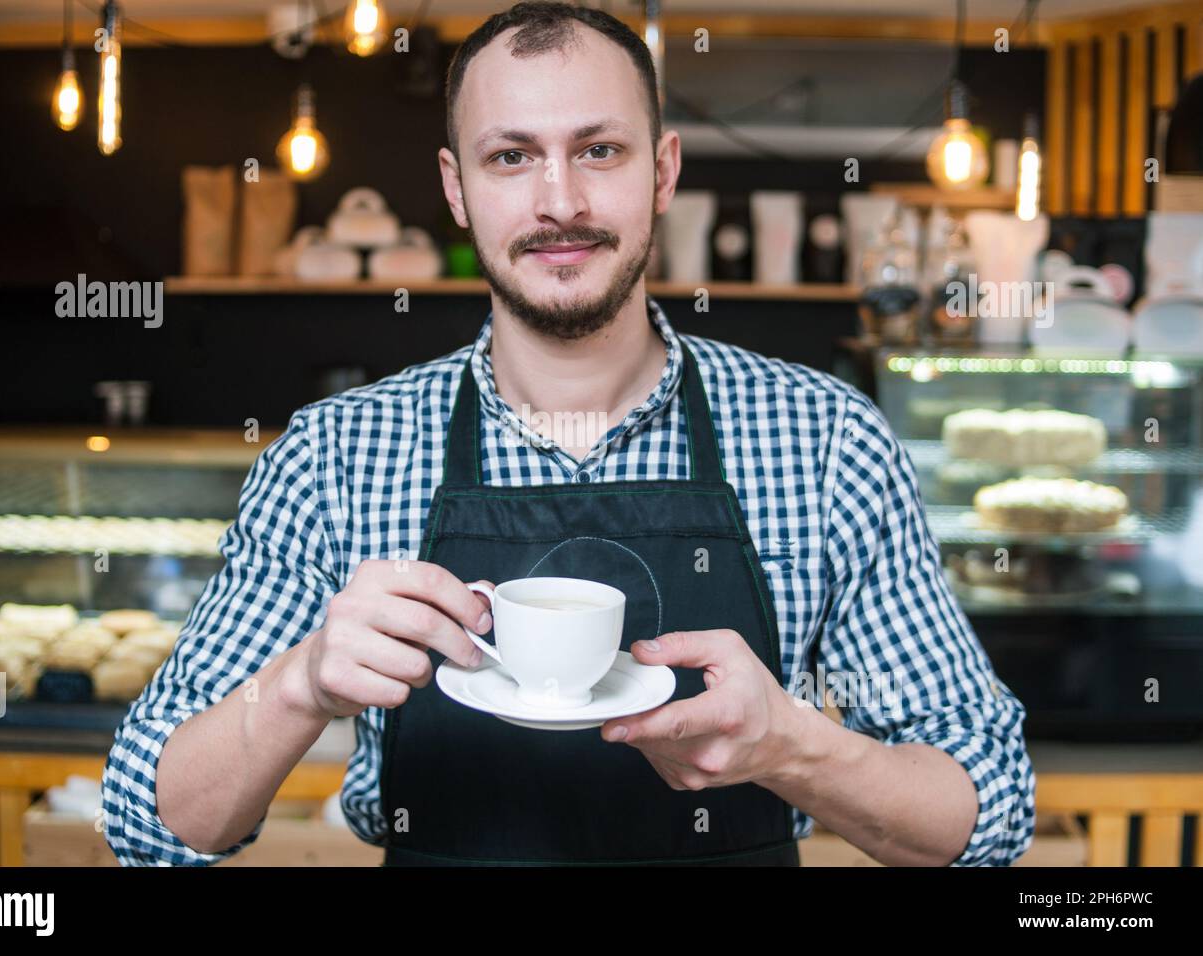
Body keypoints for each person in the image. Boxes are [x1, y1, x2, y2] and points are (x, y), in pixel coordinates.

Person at [103, 1, 1035, 867]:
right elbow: (151, 826)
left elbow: (986, 813)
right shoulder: (333, 457)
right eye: (511, 156)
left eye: (599, 151)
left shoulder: (826, 438)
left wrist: (798, 747)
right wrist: (302, 685)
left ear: (664, 170)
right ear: (456, 187)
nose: (560, 202)